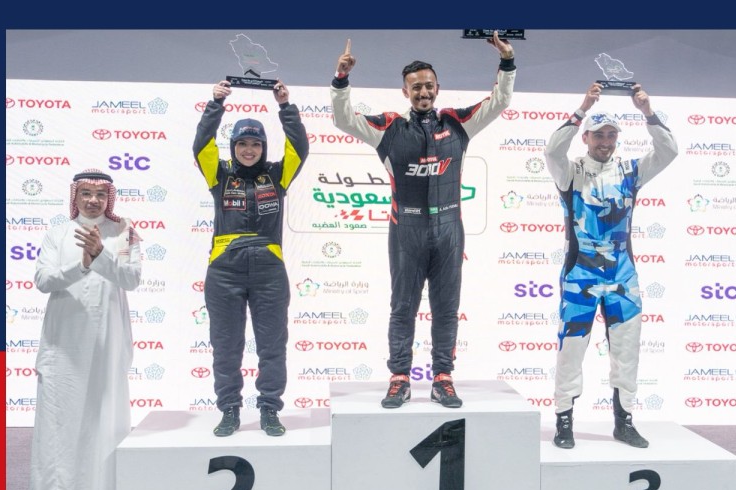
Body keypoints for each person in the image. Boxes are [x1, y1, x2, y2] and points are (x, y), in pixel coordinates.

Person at [329, 34, 515, 409]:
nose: (423, 92)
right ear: (405, 92)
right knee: (403, 308)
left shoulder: (457, 123)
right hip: (406, 231)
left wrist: (507, 63)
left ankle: (442, 378)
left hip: (449, 231)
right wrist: (341, 80)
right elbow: (344, 119)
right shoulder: (389, 128)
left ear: (437, 88)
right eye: (416, 87)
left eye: (429, 85)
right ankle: (399, 378)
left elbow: (499, 102)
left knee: (446, 309)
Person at [545, 82, 679, 449]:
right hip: (580, 275)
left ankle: (624, 421)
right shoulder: (570, 171)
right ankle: (564, 421)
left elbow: (669, 150)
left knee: (627, 351)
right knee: (571, 350)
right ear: (586, 138)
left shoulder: (630, 171)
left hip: (622, 275)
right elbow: (552, 149)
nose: (605, 141)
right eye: (598, 135)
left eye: (611, 135)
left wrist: (647, 112)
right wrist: (582, 109)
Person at [192, 79, 309, 437]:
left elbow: (299, 147)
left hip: (269, 272)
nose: (248, 149)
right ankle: (229, 410)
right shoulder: (219, 174)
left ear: (263, 147)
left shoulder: (277, 175)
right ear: (233, 146)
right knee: (226, 347)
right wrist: (216, 104)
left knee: (272, 346)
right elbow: (201, 145)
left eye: (255, 144)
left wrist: (285, 107)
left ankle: (269, 409)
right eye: (242, 143)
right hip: (224, 272)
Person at [30, 168, 142, 490]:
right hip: (64, 345)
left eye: (100, 194)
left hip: (107, 344)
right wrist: (82, 265)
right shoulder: (59, 233)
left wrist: (101, 256)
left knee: (103, 420)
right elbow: (43, 280)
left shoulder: (125, 232)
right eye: (86, 194)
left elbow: (131, 279)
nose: (93, 200)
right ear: (75, 196)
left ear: (109, 198)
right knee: (59, 426)